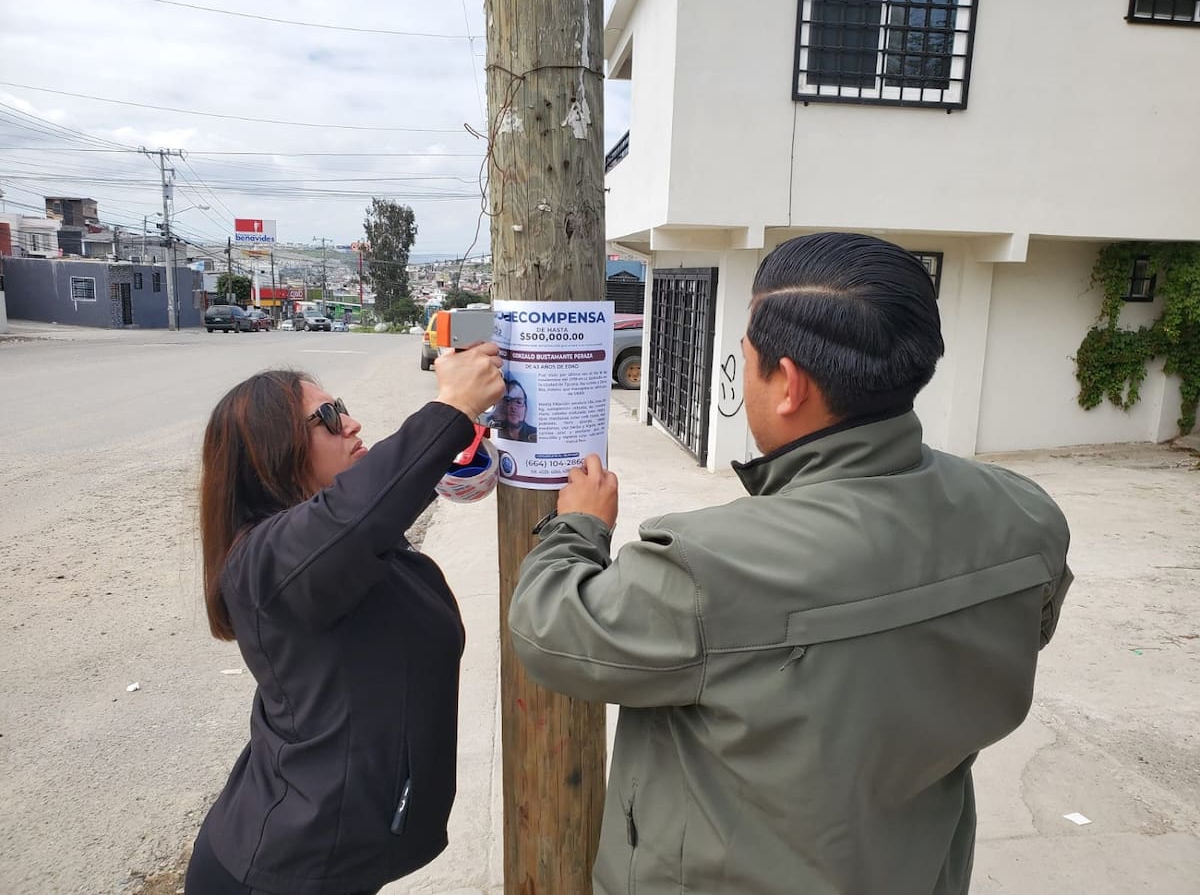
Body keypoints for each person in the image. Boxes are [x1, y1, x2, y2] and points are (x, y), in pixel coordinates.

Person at [509, 233, 1073, 895]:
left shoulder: (707, 563)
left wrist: (577, 527)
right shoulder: (1025, 515)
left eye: (746, 360)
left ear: (789, 385)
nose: (740, 375)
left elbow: (548, 631)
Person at [186, 343, 504, 895]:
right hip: (279, 870)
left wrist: (455, 459)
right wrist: (452, 409)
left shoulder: (326, 546)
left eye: (344, 407)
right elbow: (354, 518)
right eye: (328, 419)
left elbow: (366, 516)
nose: (352, 423)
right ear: (272, 451)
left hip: (325, 858)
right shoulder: (266, 562)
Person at [494, 378, 538, 443]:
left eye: (518, 402)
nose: (513, 407)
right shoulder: (494, 427)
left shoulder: (535, 433)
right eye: (508, 401)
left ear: (525, 409)